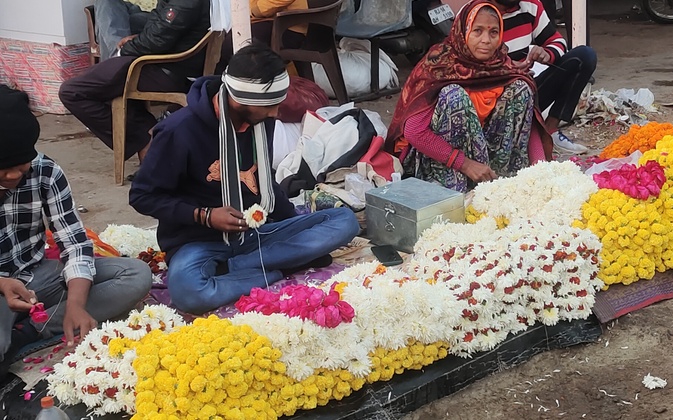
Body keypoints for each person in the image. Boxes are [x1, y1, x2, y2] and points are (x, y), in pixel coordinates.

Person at [129, 42, 359, 315]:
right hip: (198, 242)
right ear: (239, 100)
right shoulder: (178, 131)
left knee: (343, 222)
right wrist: (206, 215)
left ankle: (243, 268)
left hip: (257, 232)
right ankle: (277, 266)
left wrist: (292, 224)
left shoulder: (261, 121)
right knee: (190, 292)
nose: (275, 114)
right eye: (269, 106)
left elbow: (263, 180)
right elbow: (142, 196)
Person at [0, 85, 152, 377]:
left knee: (136, 275)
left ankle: (30, 330)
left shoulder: (45, 172)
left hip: (37, 273)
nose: (13, 176)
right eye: (4, 169)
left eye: (21, 166)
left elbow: (74, 243)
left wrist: (76, 303)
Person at [385, 0, 547, 193]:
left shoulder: (502, 65)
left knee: (521, 88)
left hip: (489, 165)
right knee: (454, 96)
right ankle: (454, 190)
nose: (486, 40)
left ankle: (501, 184)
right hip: (440, 163)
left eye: (493, 32)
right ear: (463, 32)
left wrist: (542, 169)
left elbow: (527, 125)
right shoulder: (438, 66)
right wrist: (465, 164)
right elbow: (414, 131)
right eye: (477, 31)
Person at [59, 0, 210, 169]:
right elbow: (162, 28)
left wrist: (125, 50)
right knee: (109, 8)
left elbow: (159, 39)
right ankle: (151, 137)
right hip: (161, 61)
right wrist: (139, 40)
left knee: (72, 92)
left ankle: (148, 137)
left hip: (165, 68)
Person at [491, 0, 597, 154]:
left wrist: (547, 53)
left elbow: (557, 41)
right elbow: (466, 62)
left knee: (585, 57)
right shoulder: (477, 13)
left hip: (527, 90)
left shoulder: (530, 5)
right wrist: (507, 67)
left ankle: (548, 131)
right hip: (492, 99)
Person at [216, 0, 309, 74]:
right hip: (271, 20)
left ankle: (225, 88)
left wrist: (254, 9)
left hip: (289, 26)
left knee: (234, 44)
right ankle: (220, 87)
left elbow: (264, 8)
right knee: (233, 41)